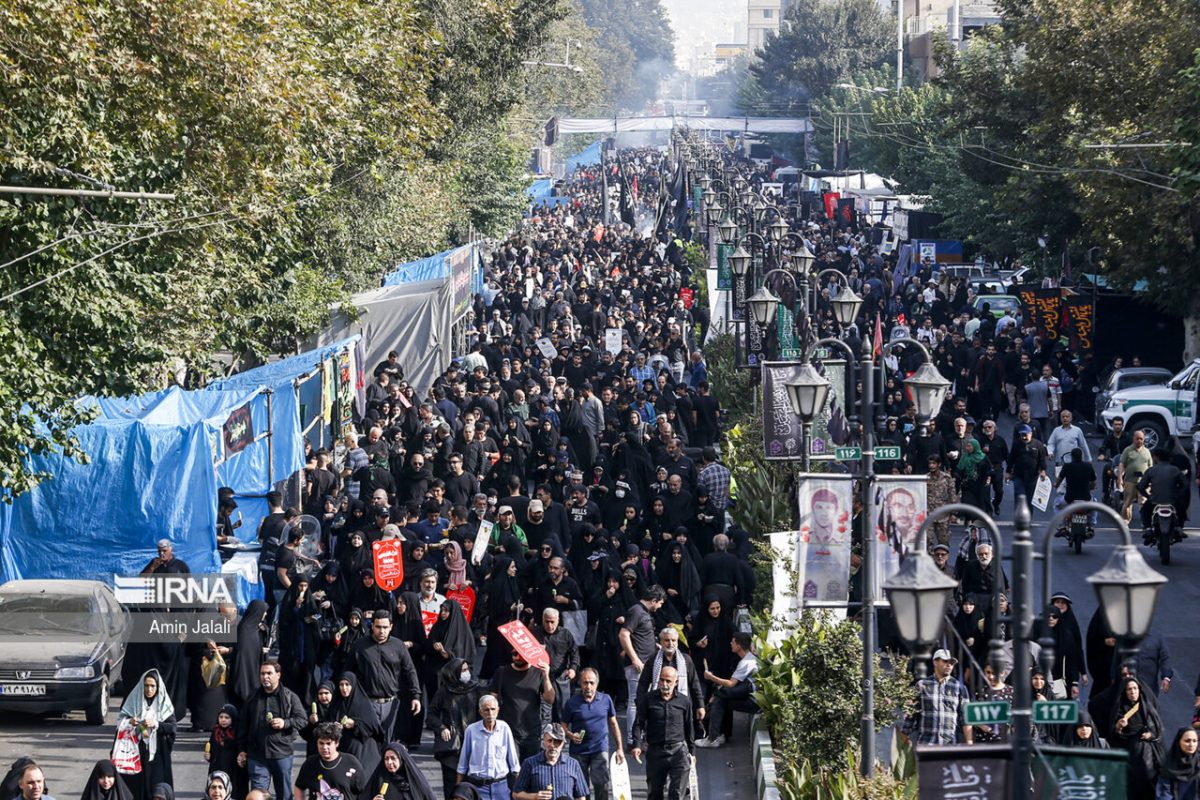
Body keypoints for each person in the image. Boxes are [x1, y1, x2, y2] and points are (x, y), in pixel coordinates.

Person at [237, 660, 307, 800]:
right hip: (257, 755)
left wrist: (285, 723)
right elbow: (243, 726)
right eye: (262, 673)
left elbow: (303, 719)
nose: (265, 677)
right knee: (257, 795)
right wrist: (241, 749)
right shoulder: (253, 697)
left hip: (281, 754)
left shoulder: (289, 697)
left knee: (284, 795)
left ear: (278, 675)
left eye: (269, 673)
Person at [349, 612, 422, 743]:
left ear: (391, 627)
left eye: (385, 627)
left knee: (388, 745)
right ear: (372, 626)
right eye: (378, 627)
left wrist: (415, 696)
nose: (381, 631)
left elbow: (410, 671)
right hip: (367, 703)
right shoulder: (360, 646)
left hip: (391, 703)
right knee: (369, 744)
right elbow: (349, 673)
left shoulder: (398, 646)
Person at [631, 666, 694, 800]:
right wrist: (636, 744)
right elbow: (638, 722)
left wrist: (692, 752)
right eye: (661, 680)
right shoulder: (649, 699)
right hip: (655, 752)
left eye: (668, 681)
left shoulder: (684, 701)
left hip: (678, 752)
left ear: (676, 682)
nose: (664, 684)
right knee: (654, 793)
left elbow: (689, 727)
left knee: (677, 794)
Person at [561, 668, 623, 800]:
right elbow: (563, 725)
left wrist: (620, 749)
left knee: (601, 785)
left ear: (597, 683)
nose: (588, 686)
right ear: (580, 683)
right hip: (578, 751)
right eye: (585, 682)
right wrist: (570, 735)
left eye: (591, 682)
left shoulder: (606, 700)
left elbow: (614, 724)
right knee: (580, 788)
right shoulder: (572, 703)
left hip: (599, 749)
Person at [427, 658, 484, 800]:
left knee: (470, 785)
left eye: (467, 669)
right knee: (452, 785)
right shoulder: (444, 691)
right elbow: (431, 714)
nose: (467, 673)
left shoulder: (476, 689)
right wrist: (441, 728)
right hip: (452, 747)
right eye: (463, 670)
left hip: (473, 743)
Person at [118, 670, 177, 800]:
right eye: (146, 685)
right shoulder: (133, 702)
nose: (149, 689)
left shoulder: (163, 704)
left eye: (152, 686)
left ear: (158, 687)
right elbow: (120, 723)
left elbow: (172, 727)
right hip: (136, 756)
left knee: (157, 792)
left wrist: (156, 724)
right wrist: (130, 722)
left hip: (157, 757)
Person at [618, 585, 666, 741]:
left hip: (646, 664)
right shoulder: (636, 611)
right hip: (637, 666)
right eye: (659, 604)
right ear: (653, 601)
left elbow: (639, 635)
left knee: (643, 700)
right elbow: (624, 635)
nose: (659, 608)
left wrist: (655, 645)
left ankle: (639, 735)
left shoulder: (642, 612)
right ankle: (633, 739)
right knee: (634, 701)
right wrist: (634, 659)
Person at [696, 632, 758, 749]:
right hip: (751, 696)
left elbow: (731, 684)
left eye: (733, 642)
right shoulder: (749, 658)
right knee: (723, 699)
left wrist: (711, 677)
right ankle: (720, 734)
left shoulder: (746, 663)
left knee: (720, 699)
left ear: (739, 646)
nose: (730, 644)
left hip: (753, 701)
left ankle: (712, 738)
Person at [900, 649, 973, 746]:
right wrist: (904, 735)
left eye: (951, 663)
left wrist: (969, 741)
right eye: (945, 661)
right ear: (935, 662)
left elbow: (965, 717)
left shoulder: (959, 687)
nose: (949, 665)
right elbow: (911, 714)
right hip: (926, 742)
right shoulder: (922, 685)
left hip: (950, 744)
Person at [493, 650, 556, 760]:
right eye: (514, 654)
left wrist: (546, 676)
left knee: (531, 770)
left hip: (532, 732)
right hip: (508, 731)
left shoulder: (538, 672)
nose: (517, 657)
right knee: (512, 771)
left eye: (521, 655)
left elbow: (550, 699)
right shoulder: (502, 672)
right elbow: (492, 699)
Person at [1109, 675, 1163, 800]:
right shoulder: (1120, 710)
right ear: (1125, 692)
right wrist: (1119, 727)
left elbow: (1158, 726)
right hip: (1131, 755)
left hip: (1150, 753)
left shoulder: (1147, 706)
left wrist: (1150, 734)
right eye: (1129, 689)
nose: (1133, 692)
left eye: (1135, 688)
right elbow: (1114, 735)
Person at [456, 695, 521, 800]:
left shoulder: (504, 728)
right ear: (480, 712)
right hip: (478, 787)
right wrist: (457, 790)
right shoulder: (471, 730)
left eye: (492, 709)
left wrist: (519, 790)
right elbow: (463, 764)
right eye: (486, 710)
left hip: (501, 787)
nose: (490, 713)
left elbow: (514, 764)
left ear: (498, 710)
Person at [511, 724, 589, 800]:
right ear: (543, 741)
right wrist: (534, 797)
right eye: (549, 740)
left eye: (557, 742)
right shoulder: (529, 763)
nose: (553, 745)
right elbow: (516, 794)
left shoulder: (573, 764)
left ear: (563, 744)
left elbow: (581, 796)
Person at [293, 722, 367, 800]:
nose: (324, 747)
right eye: (321, 743)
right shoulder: (310, 763)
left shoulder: (351, 762)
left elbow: (364, 791)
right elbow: (299, 787)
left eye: (328, 743)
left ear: (337, 743)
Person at [363, 742, 436, 800]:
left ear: (401, 760)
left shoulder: (414, 781)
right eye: (386, 758)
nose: (389, 762)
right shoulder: (379, 779)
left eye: (393, 758)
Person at [1156, 728, 1200, 800]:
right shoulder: (1169, 766)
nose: (1191, 744)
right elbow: (1164, 793)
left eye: (1195, 741)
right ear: (1178, 742)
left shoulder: (1198, 764)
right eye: (1187, 741)